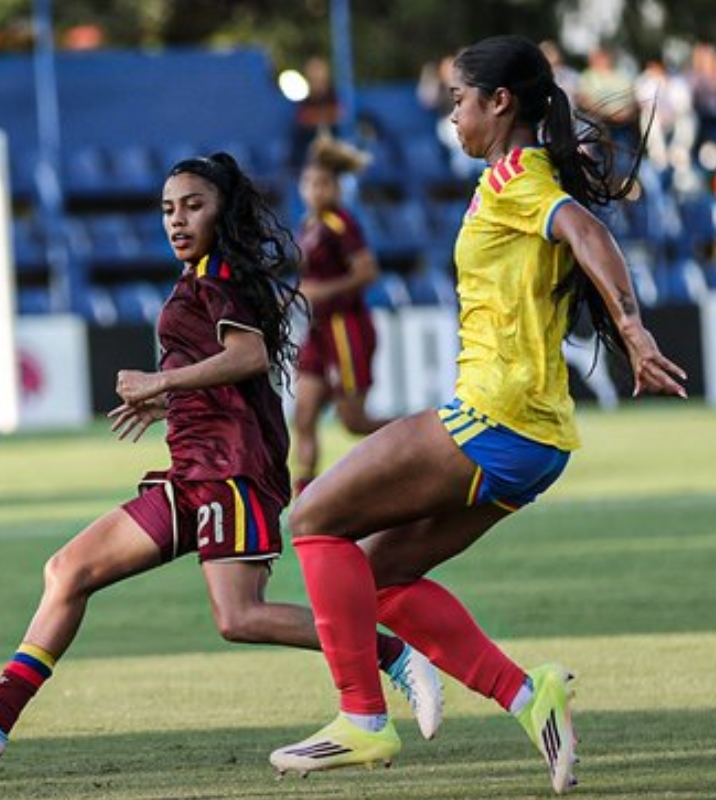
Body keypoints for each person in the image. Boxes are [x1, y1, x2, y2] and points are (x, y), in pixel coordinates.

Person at [0, 152, 443, 781]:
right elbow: (231, 379)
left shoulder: (219, 276)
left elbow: (246, 357)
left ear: (224, 210)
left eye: (193, 204)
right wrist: (171, 400)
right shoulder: (198, 277)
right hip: (193, 467)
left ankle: (393, 654)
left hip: (230, 473)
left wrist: (160, 379)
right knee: (68, 570)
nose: (177, 219)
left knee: (239, 617)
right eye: (168, 208)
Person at [269, 35, 687, 795]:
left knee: (313, 518)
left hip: (492, 418)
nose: (453, 113)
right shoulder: (519, 177)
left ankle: (362, 719)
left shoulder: (516, 179)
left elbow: (587, 232)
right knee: (377, 577)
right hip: (536, 439)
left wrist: (633, 331)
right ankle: (532, 698)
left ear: (501, 103)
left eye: (461, 98)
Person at [291, 136, 394, 497]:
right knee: (302, 416)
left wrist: (322, 292)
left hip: (346, 327)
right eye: (307, 183)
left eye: (321, 183)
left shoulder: (341, 223)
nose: (313, 190)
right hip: (318, 331)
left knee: (354, 421)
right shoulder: (308, 224)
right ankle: (304, 494)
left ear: (335, 187)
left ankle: (422, 436)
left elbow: (367, 272)